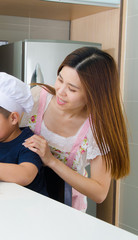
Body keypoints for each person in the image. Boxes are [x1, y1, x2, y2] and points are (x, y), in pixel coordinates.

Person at [21, 47, 130, 212]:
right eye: (60, 79)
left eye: (72, 89)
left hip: (66, 209)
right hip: (23, 197)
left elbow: (99, 192)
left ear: (93, 95)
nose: (61, 91)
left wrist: (51, 161)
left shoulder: (97, 128)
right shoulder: (37, 98)